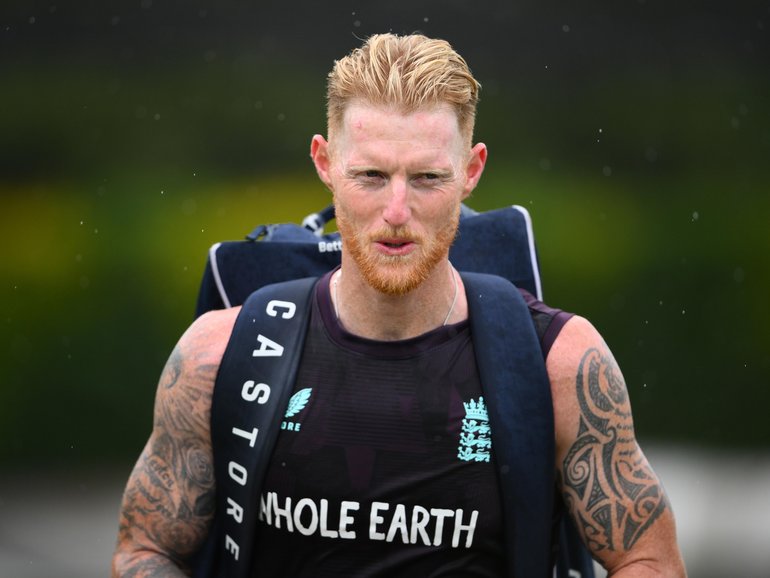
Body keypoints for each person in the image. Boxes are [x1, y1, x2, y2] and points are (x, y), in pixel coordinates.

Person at [112, 33, 687, 577]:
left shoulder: (559, 365)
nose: (395, 210)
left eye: (427, 178)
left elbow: (647, 558)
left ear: (472, 170)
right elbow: (148, 547)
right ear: (324, 163)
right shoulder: (217, 357)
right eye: (370, 175)